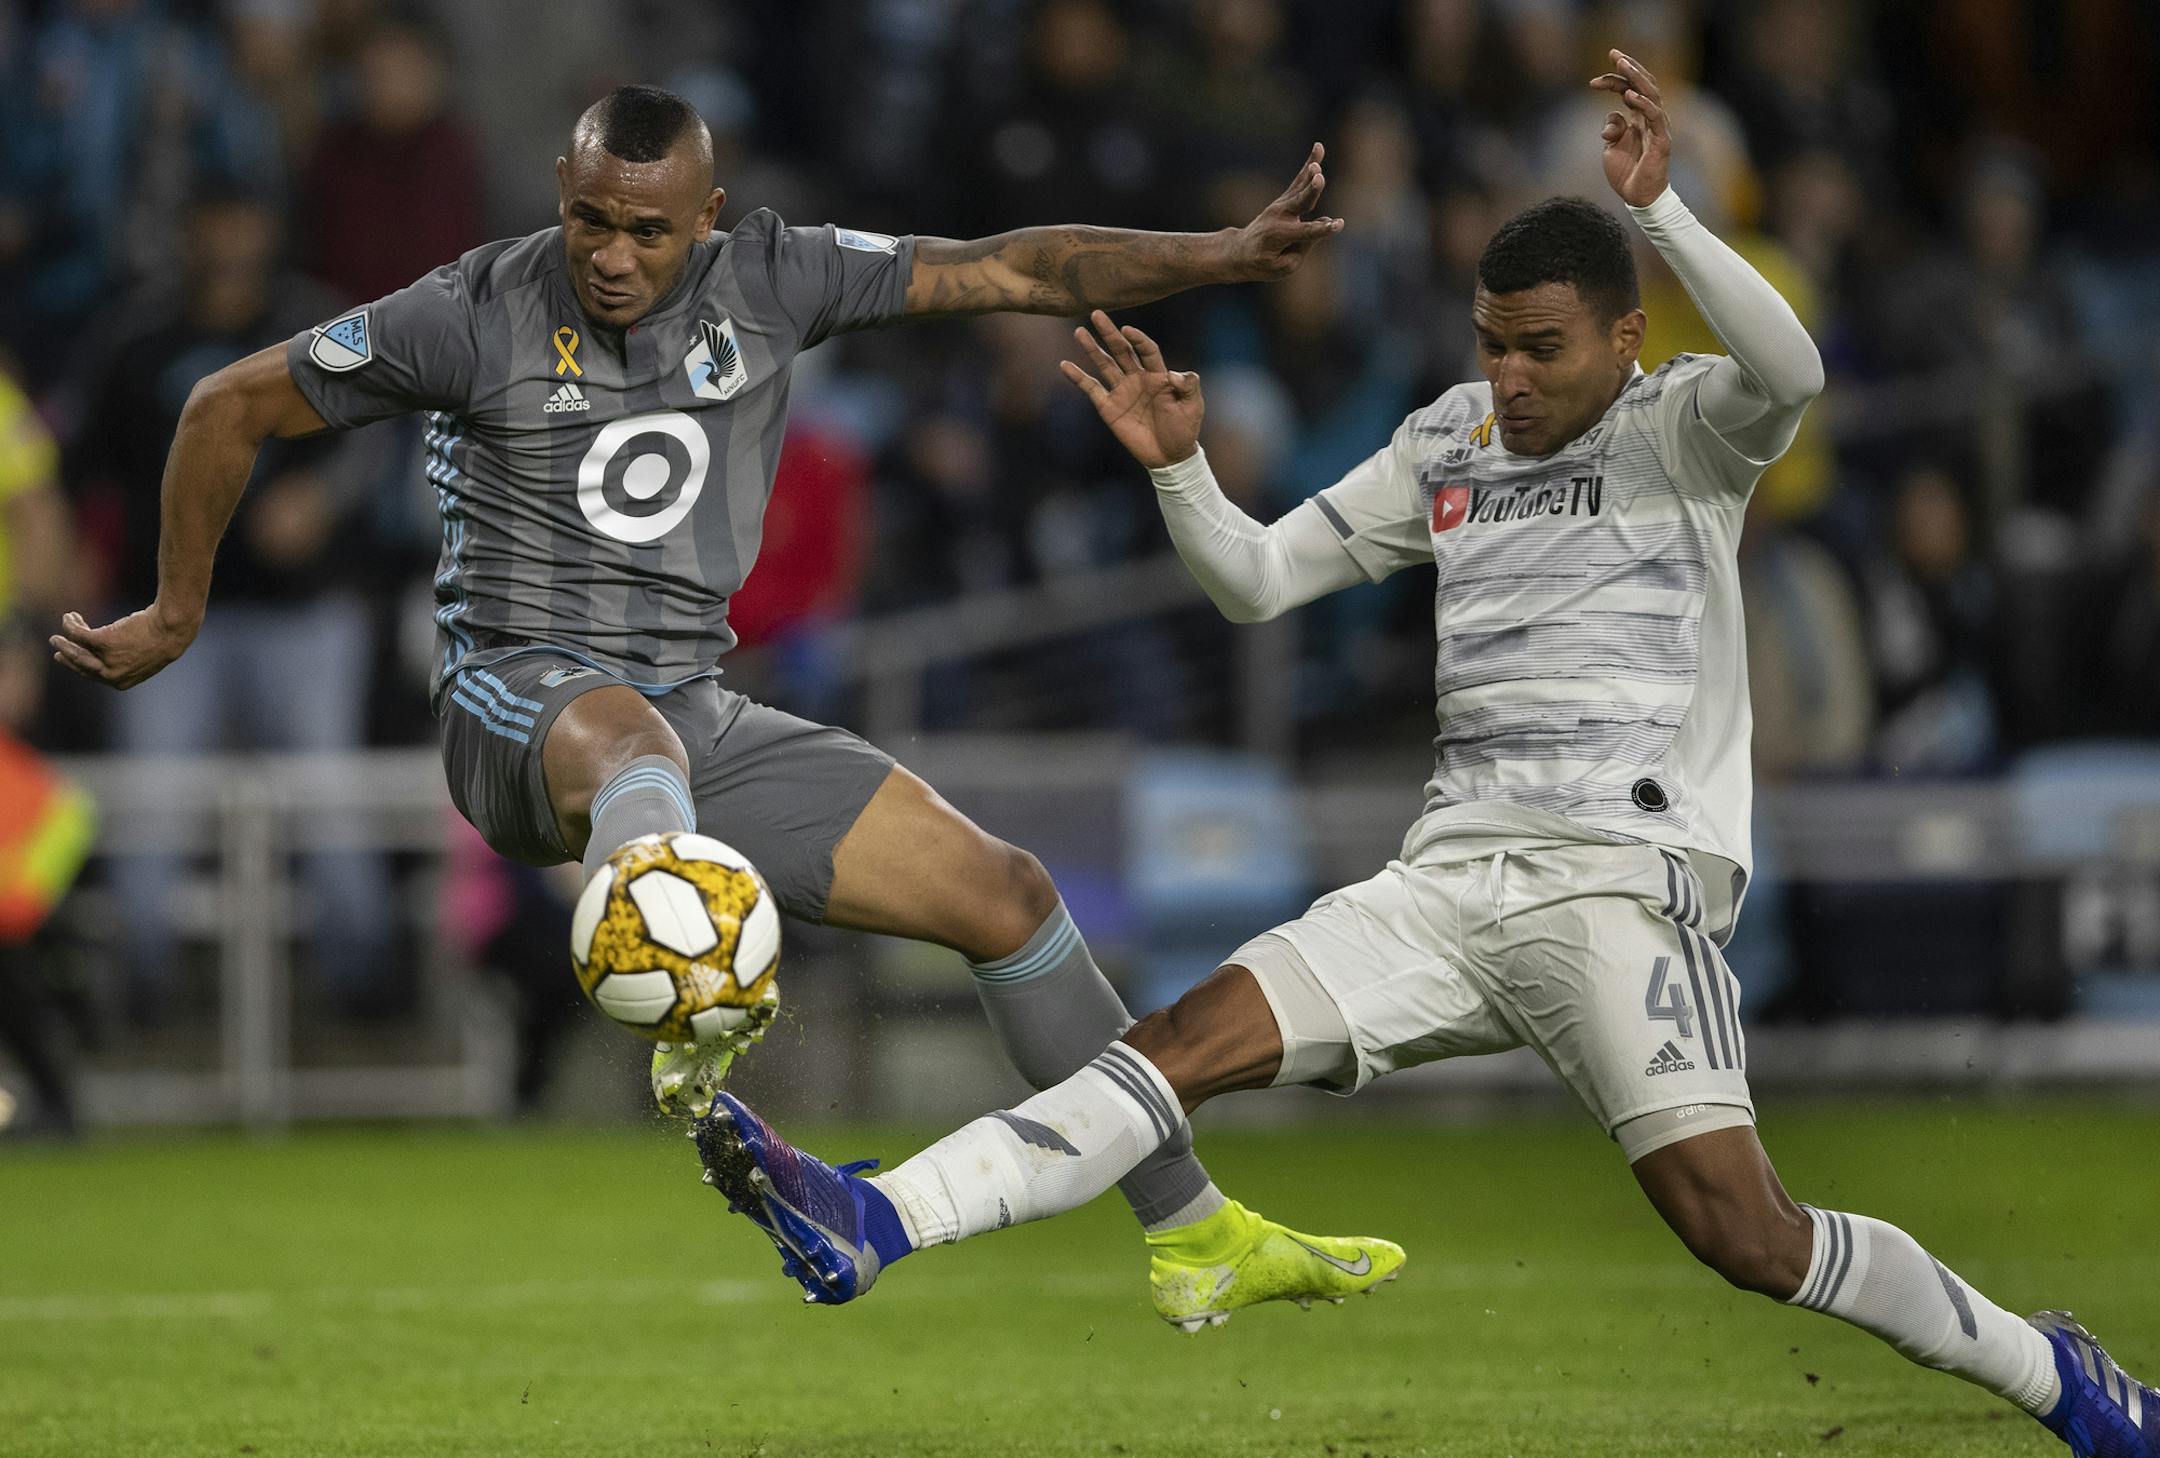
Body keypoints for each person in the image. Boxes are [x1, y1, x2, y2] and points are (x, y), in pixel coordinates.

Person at [693, 51, 2158, 1451]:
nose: (1510, 377)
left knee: (1746, 1233)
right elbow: (1259, 582)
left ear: (1625, 335)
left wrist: (1659, 212)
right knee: (1174, 1047)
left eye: (1542, 348)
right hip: (1446, 884)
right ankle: (877, 1218)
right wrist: (1183, 472)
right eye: (1491, 343)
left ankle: (2049, 1370)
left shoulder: (1690, 432)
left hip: (1616, 889)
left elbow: (1797, 363)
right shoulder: (1447, 442)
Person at [49, 83, 1395, 1330]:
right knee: (632, 740)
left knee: (1007, 893)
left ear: (711, 218)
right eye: (588, 218)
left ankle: (1193, 1226)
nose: (612, 254)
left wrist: (1216, 255)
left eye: (647, 229)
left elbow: (1021, 264)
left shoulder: (778, 275)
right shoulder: (467, 311)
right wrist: (176, 610)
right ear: (561, 196)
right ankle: (687, 1009)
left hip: (693, 716)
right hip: (512, 704)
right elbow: (227, 405)